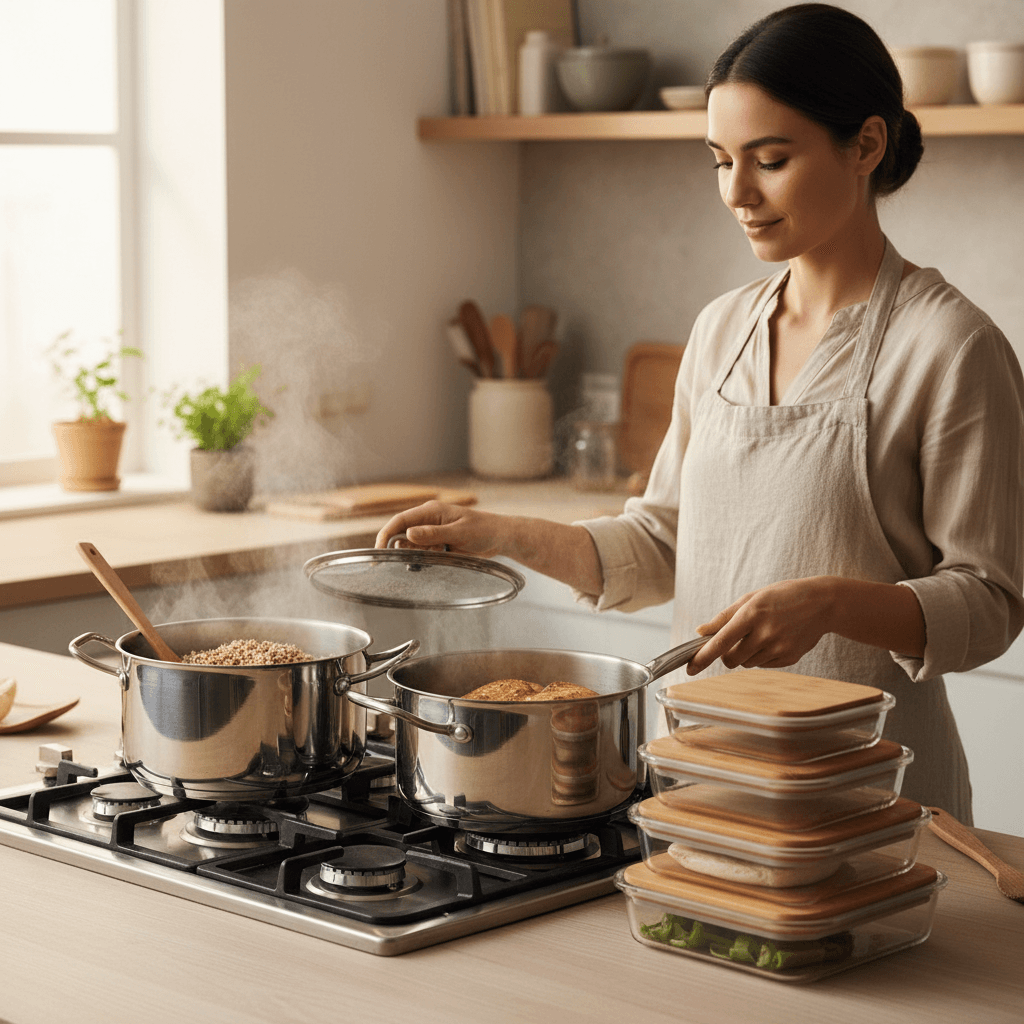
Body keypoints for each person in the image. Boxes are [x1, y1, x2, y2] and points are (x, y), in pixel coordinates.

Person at [378, 3, 1024, 822]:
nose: (737, 193)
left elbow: (990, 601)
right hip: (705, 782)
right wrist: (500, 534)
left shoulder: (952, 345)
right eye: (720, 161)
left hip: (870, 802)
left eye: (771, 159)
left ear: (866, 144)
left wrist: (831, 602)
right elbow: (661, 544)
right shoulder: (721, 328)